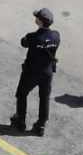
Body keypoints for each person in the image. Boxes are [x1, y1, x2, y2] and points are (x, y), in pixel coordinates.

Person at [10, 8, 60, 136]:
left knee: (21, 94)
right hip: (47, 73)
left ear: (39, 21)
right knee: (44, 98)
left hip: (31, 73)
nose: (35, 18)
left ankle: (20, 120)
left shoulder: (32, 37)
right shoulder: (56, 36)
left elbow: (23, 43)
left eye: (37, 17)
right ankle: (41, 125)